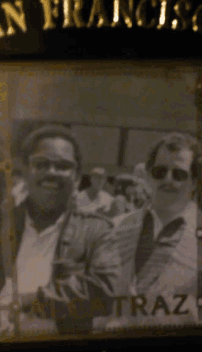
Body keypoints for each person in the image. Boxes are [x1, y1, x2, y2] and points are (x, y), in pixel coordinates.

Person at [0, 125, 122, 336]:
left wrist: (28, 301)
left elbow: (106, 291)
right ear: (25, 172)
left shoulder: (96, 230)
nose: (52, 172)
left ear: (76, 177)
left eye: (63, 166)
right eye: (41, 164)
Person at [102, 132, 202, 329]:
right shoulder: (113, 228)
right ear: (148, 176)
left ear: (194, 181)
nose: (168, 179)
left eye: (179, 174)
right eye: (159, 172)